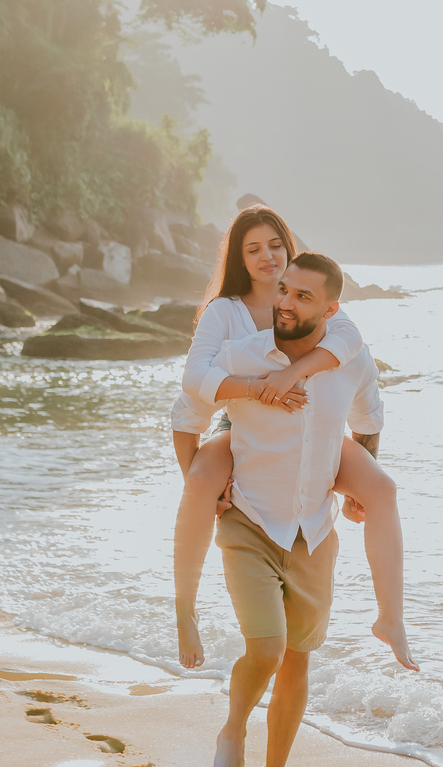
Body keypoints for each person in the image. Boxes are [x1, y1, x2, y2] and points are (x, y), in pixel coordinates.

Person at [171, 206, 416, 673]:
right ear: (239, 258)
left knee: (382, 488)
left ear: (290, 248)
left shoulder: (317, 303)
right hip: (239, 422)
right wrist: (257, 390)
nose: (267, 256)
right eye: (253, 249)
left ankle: (391, 618)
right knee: (200, 480)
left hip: (312, 427)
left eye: (275, 245)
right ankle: (185, 610)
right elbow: (195, 383)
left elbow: (350, 349)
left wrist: (295, 372)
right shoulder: (225, 312)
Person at [195, 251, 388, 767]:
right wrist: (203, 476)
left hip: (314, 531)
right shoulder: (245, 354)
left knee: (298, 659)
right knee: (268, 648)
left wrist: (359, 488)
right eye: (283, 289)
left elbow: (369, 420)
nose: (285, 302)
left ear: (331, 310)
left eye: (303, 296)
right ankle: (234, 728)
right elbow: (193, 395)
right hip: (249, 520)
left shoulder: (350, 359)